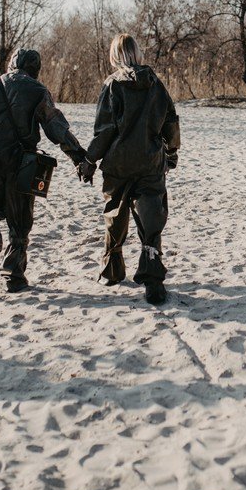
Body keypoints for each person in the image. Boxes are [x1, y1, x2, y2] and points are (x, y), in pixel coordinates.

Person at [0, 48, 92, 293]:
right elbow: (56, 128)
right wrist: (79, 157)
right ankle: (14, 274)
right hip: (22, 164)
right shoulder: (38, 91)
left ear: (12, 64)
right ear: (35, 69)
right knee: (20, 224)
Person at [85, 34, 180, 305]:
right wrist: (171, 153)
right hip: (150, 163)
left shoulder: (112, 86)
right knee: (151, 218)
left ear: (115, 56)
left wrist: (90, 161)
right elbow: (170, 122)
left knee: (115, 215)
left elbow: (104, 130)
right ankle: (153, 280)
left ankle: (112, 270)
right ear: (137, 54)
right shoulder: (155, 84)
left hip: (118, 165)